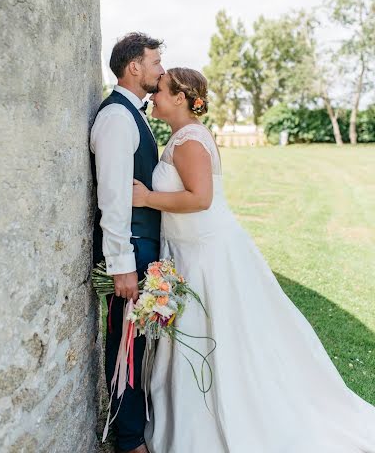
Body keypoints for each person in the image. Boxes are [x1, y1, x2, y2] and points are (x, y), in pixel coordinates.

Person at [132, 67, 375, 453]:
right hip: (189, 251)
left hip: (208, 256)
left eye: (159, 90)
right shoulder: (181, 136)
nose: (153, 95)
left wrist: (146, 198)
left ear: (180, 98)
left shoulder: (191, 140)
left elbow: (200, 199)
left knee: (224, 336)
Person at [90, 33, 165, 453]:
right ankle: (130, 441)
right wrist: (122, 263)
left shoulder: (131, 114)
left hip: (141, 248)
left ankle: (136, 429)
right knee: (126, 346)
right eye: (155, 61)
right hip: (130, 250)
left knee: (137, 343)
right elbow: (114, 198)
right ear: (133, 67)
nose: (160, 69)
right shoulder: (118, 118)